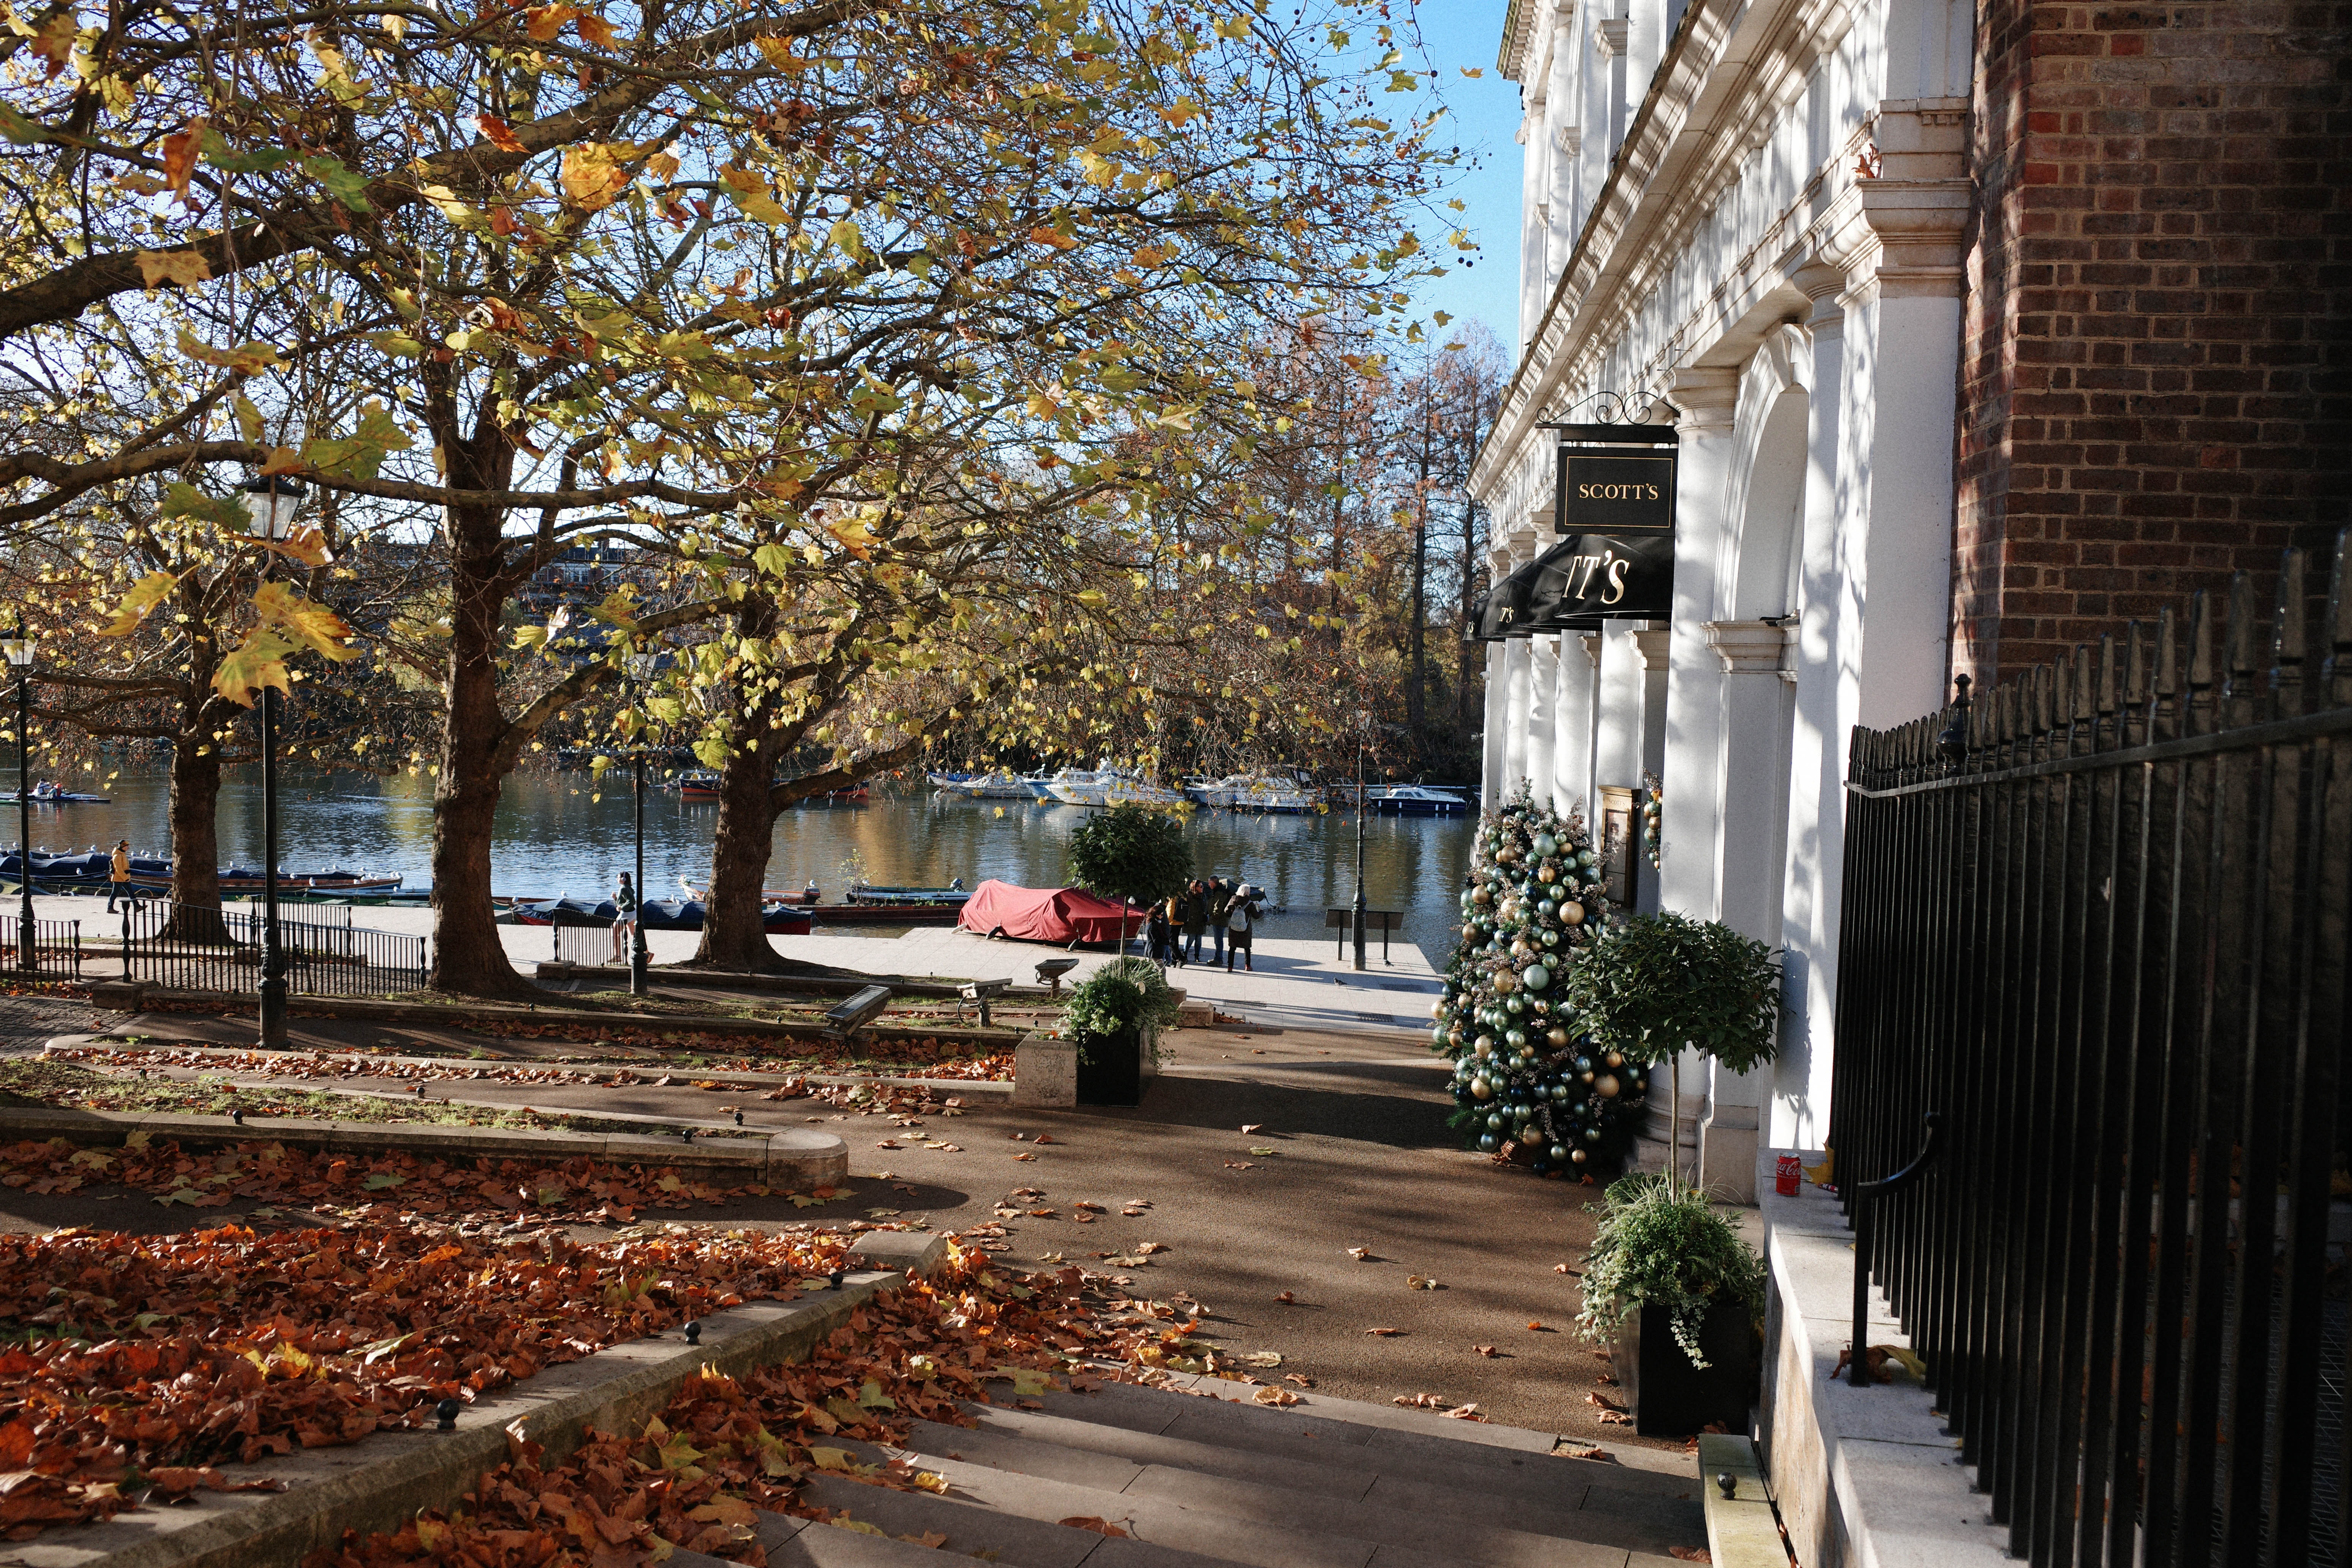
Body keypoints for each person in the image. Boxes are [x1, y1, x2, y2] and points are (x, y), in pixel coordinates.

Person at [1224, 882, 1259, 972]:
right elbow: (1256, 916)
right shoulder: (1250, 903)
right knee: (1247, 948)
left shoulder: (1233, 900)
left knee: (1232, 948)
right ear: (1247, 893)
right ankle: (1248, 966)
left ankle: (1230, 967)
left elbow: (1226, 911)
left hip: (1233, 929)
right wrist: (1261, 911)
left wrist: (1233, 914)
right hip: (1246, 929)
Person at [610, 871, 639, 964]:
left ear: (623, 879)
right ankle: (647, 953)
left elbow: (631, 901)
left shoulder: (624, 888)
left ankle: (617, 956)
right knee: (633, 934)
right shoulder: (627, 888)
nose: (617, 879)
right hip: (632, 913)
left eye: (618, 877)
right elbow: (622, 903)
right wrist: (615, 899)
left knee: (615, 931)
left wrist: (622, 907)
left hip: (626, 914)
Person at [1181, 879, 1208, 963]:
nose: (1202, 888)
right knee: (1191, 938)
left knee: (1199, 939)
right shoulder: (1189, 895)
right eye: (1201, 887)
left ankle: (1197, 956)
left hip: (1201, 920)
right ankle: (1185, 954)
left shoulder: (1203, 895)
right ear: (1195, 887)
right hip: (1191, 920)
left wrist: (1206, 916)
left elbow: (1206, 907)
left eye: (1202, 886)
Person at [1207, 876, 1232, 964]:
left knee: (1218, 941)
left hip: (1219, 920)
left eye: (1210, 883)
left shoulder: (1219, 893)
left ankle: (1218, 959)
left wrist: (1211, 918)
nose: (1209, 885)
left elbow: (1218, 908)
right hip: (1220, 920)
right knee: (1218, 940)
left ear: (1214, 883)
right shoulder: (1219, 891)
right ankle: (1218, 958)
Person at [1146, 898, 1173, 966]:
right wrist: (1167, 941)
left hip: (1160, 945)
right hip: (1155, 951)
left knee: (1167, 961)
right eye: (1161, 915)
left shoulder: (1156, 922)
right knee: (1162, 968)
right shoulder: (1153, 925)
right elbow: (1156, 940)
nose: (1162, 916)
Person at [107, 839, 131, 911]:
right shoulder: (117, 856)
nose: (128, 848)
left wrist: (127, 877)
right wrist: (125, 878)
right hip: (118, 879)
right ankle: (110, 908)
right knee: (114, 894)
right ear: (122, 847)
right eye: (127, 846)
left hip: (125, 878)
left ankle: (137, 906)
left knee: (131, 892)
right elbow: (119, 869)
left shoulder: (123, 854)